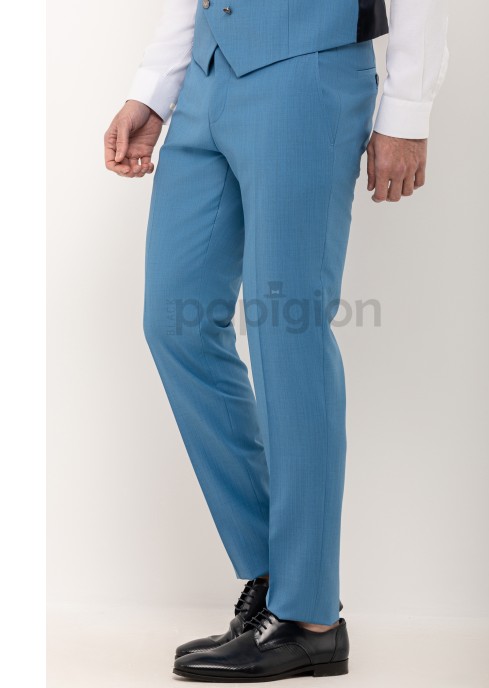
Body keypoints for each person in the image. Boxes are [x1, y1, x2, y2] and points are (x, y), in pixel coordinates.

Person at [104, 0, 449, 681]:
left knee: (287, 330)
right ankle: (278, 578)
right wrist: (154, 88)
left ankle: (312, 618)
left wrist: (407, 109)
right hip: (207, 74)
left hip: (306, 75)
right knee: (174, 321)